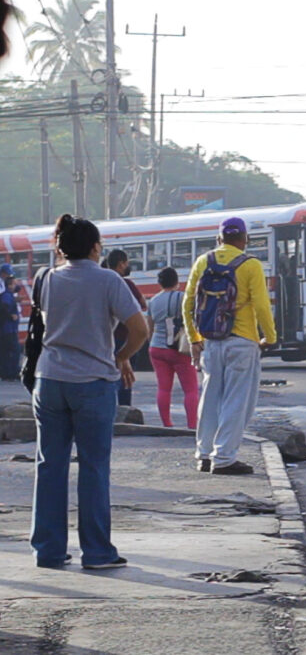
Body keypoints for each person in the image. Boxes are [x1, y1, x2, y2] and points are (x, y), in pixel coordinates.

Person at [32, 214, 148, 570]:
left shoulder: (47, 278)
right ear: (96, 247)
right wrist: (120, 358)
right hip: (93, 383)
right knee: (94, 468)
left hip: (49, 381)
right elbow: (139, 330)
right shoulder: (108, 280)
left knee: (50, 466)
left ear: (60, 247)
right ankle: (97, 553)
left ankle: (49, 551)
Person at [183, 217, 278, 475]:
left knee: (210, 398)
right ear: (245, 240)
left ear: (219, 239)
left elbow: (188, 304)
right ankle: (224, 458)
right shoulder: (250, 265)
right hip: (242, 342)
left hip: (211, 342)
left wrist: (194, 338)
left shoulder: (203, 262)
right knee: (237, 401)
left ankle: (204, 455)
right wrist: (270, 337)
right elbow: (261, 306)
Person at [147, 267, 199, 429]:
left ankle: (166, 424)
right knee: (190, 390)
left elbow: (150, 326)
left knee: (164, 388)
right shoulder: (182, 298)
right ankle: (192, 425)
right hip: (179, 348)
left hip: (156, 348)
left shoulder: (153, 301)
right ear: (177, 282)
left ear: (160, 283)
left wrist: (154, 342)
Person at [104, 249, 147, 406]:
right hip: (124, 338)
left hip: (105, 338)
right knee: (125, 379)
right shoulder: (125, 283)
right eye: (127, 263)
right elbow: (142, 305)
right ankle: (123, 412)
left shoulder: (101, 281)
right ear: (121, 263)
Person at [0, 275, 19, 380]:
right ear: (10, 285)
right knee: (14, 351)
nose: (15, 286)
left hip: (6, 329)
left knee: (5, 352)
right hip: (8, 329)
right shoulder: (7, 295)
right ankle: (12, 373)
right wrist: (11, 316)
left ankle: (5, 373)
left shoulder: (6, 294)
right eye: (14, 284)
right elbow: (4, 307)